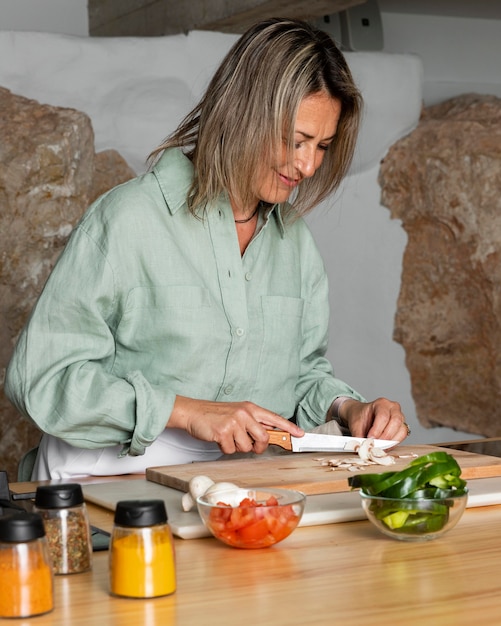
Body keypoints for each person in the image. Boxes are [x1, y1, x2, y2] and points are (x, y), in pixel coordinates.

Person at [5, 17, 410, 480]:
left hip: (233, 488)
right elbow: (40, 379)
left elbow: (300, 374)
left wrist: (349, 408)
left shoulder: (295, 244)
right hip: (104, 482)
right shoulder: (127, 219)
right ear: (242, 114)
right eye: (294, 140)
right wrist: (184, 411)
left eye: (322, 145)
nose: (307, 165)